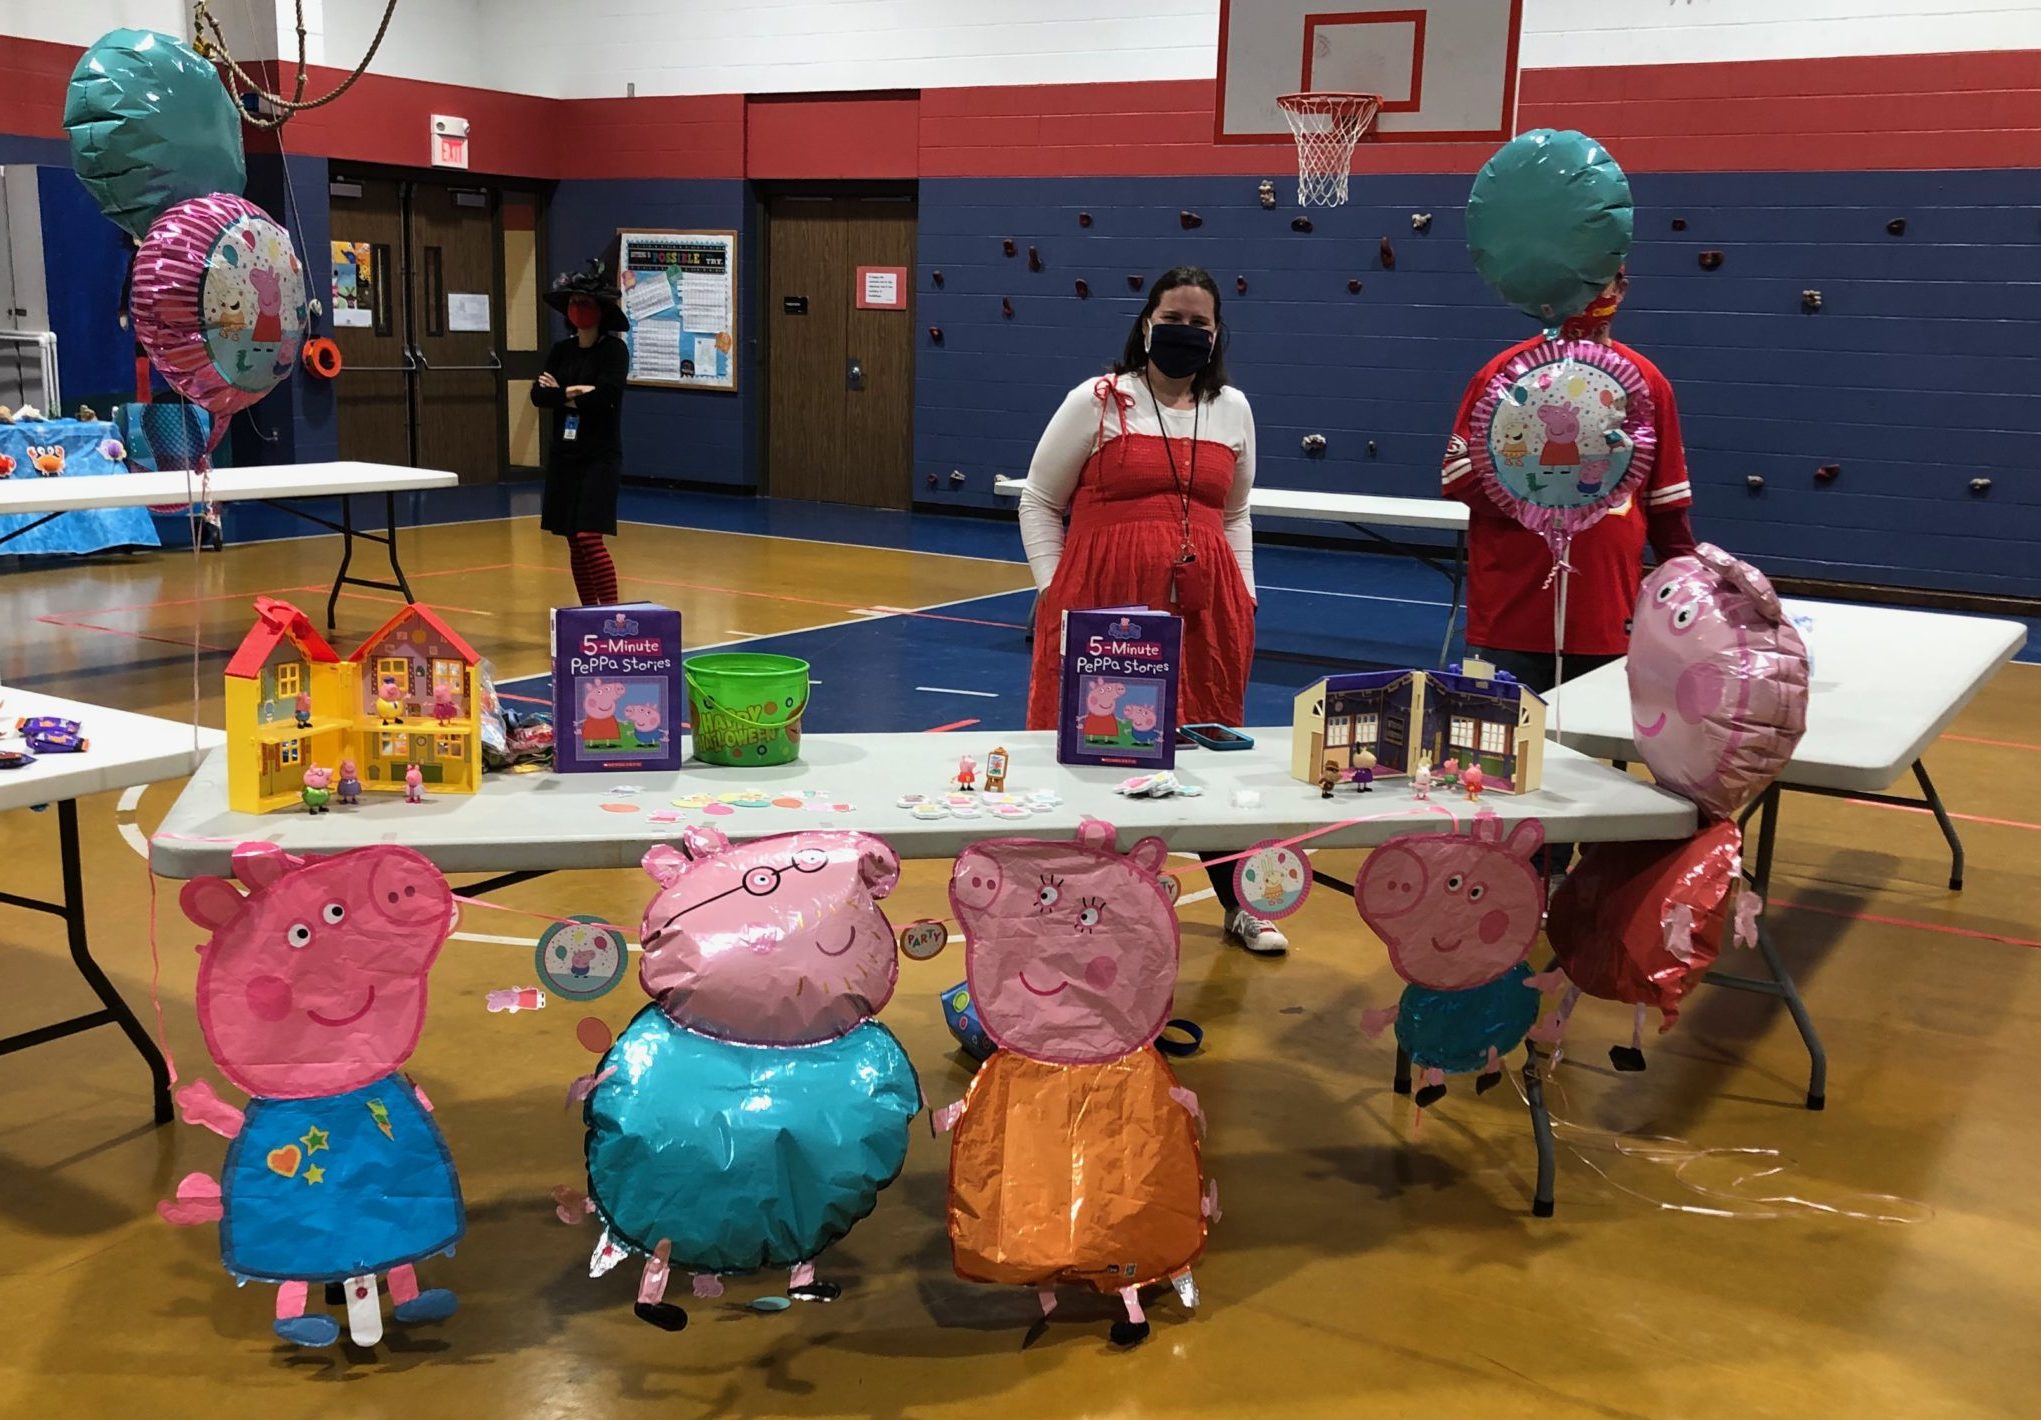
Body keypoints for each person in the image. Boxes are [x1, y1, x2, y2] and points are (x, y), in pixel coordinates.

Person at [1018, 265, 1284, 955]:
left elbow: (1236, 512)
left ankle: (1240, 903)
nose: (1184, 331)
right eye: (1174, 317)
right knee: (1099, 752)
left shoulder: (1233, 410)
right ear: (1145, 323)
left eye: (1199, 322)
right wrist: (1054, 588)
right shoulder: (1098, 400)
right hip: (1101, 606)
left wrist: (1245, 594)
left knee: (1208, 749)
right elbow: (1039, 501)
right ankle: (1077, 906)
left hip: (1207, 612)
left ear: (1216, 334)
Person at [1441, 268, 1697, 882]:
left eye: (1615, 275)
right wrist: (1518, 464)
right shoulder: (1504, 377)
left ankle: (1582, 891)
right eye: (1589, 275)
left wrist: (1691, 586)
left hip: (1605, 619)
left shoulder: (1646, 383)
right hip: (1511, 614)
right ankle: (1504, 886)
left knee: (1596, 783)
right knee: (1499, 772)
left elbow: (1668, 505)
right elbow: (1456, 481)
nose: (1603, 290)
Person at [533, 261, 630, 606]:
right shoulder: (561, 350)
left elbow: (606, 399)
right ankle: (590, 611)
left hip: (599, 455)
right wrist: (573, 393)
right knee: (573, 538)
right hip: (565, 455)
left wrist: (563, 393)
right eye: (573, 303)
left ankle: (611, 612)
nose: (578, 309)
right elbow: (539, 395)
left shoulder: (614, 351)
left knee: (590, 535)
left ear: (600, 311)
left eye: (585, 304)